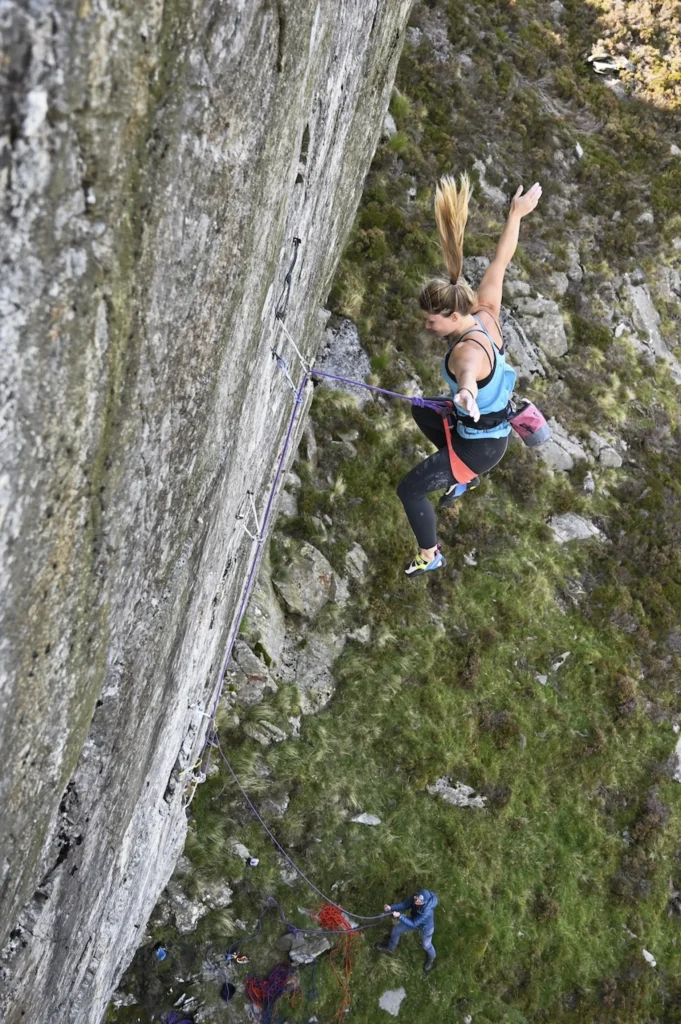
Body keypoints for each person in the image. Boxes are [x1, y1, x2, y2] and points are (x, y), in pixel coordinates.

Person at [398, 174, 542, 577]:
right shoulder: (484, 314)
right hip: (484, 429)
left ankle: (430, 554)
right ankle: (462, 477)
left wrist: (465, 394)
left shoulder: (467, 355)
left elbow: (467, 374)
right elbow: (501, 262)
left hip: (480, 447)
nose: (427, 328)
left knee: (408, 490)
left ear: (453, 316)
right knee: (421, 408)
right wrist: (516, 215)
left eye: (431, 322)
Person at [375, 889, 439, 972]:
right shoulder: (415, 898)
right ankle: (390, 948)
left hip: (425, 928)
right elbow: (404, 905)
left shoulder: (427, 912)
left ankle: (432, 957)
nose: (415, 900)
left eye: (418, 900)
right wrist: (391, 907)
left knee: (426, 945)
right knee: (396, 930)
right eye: (416, 898)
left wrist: (400, 917)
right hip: (414, 920)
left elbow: (413, 924)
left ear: (424, 903)